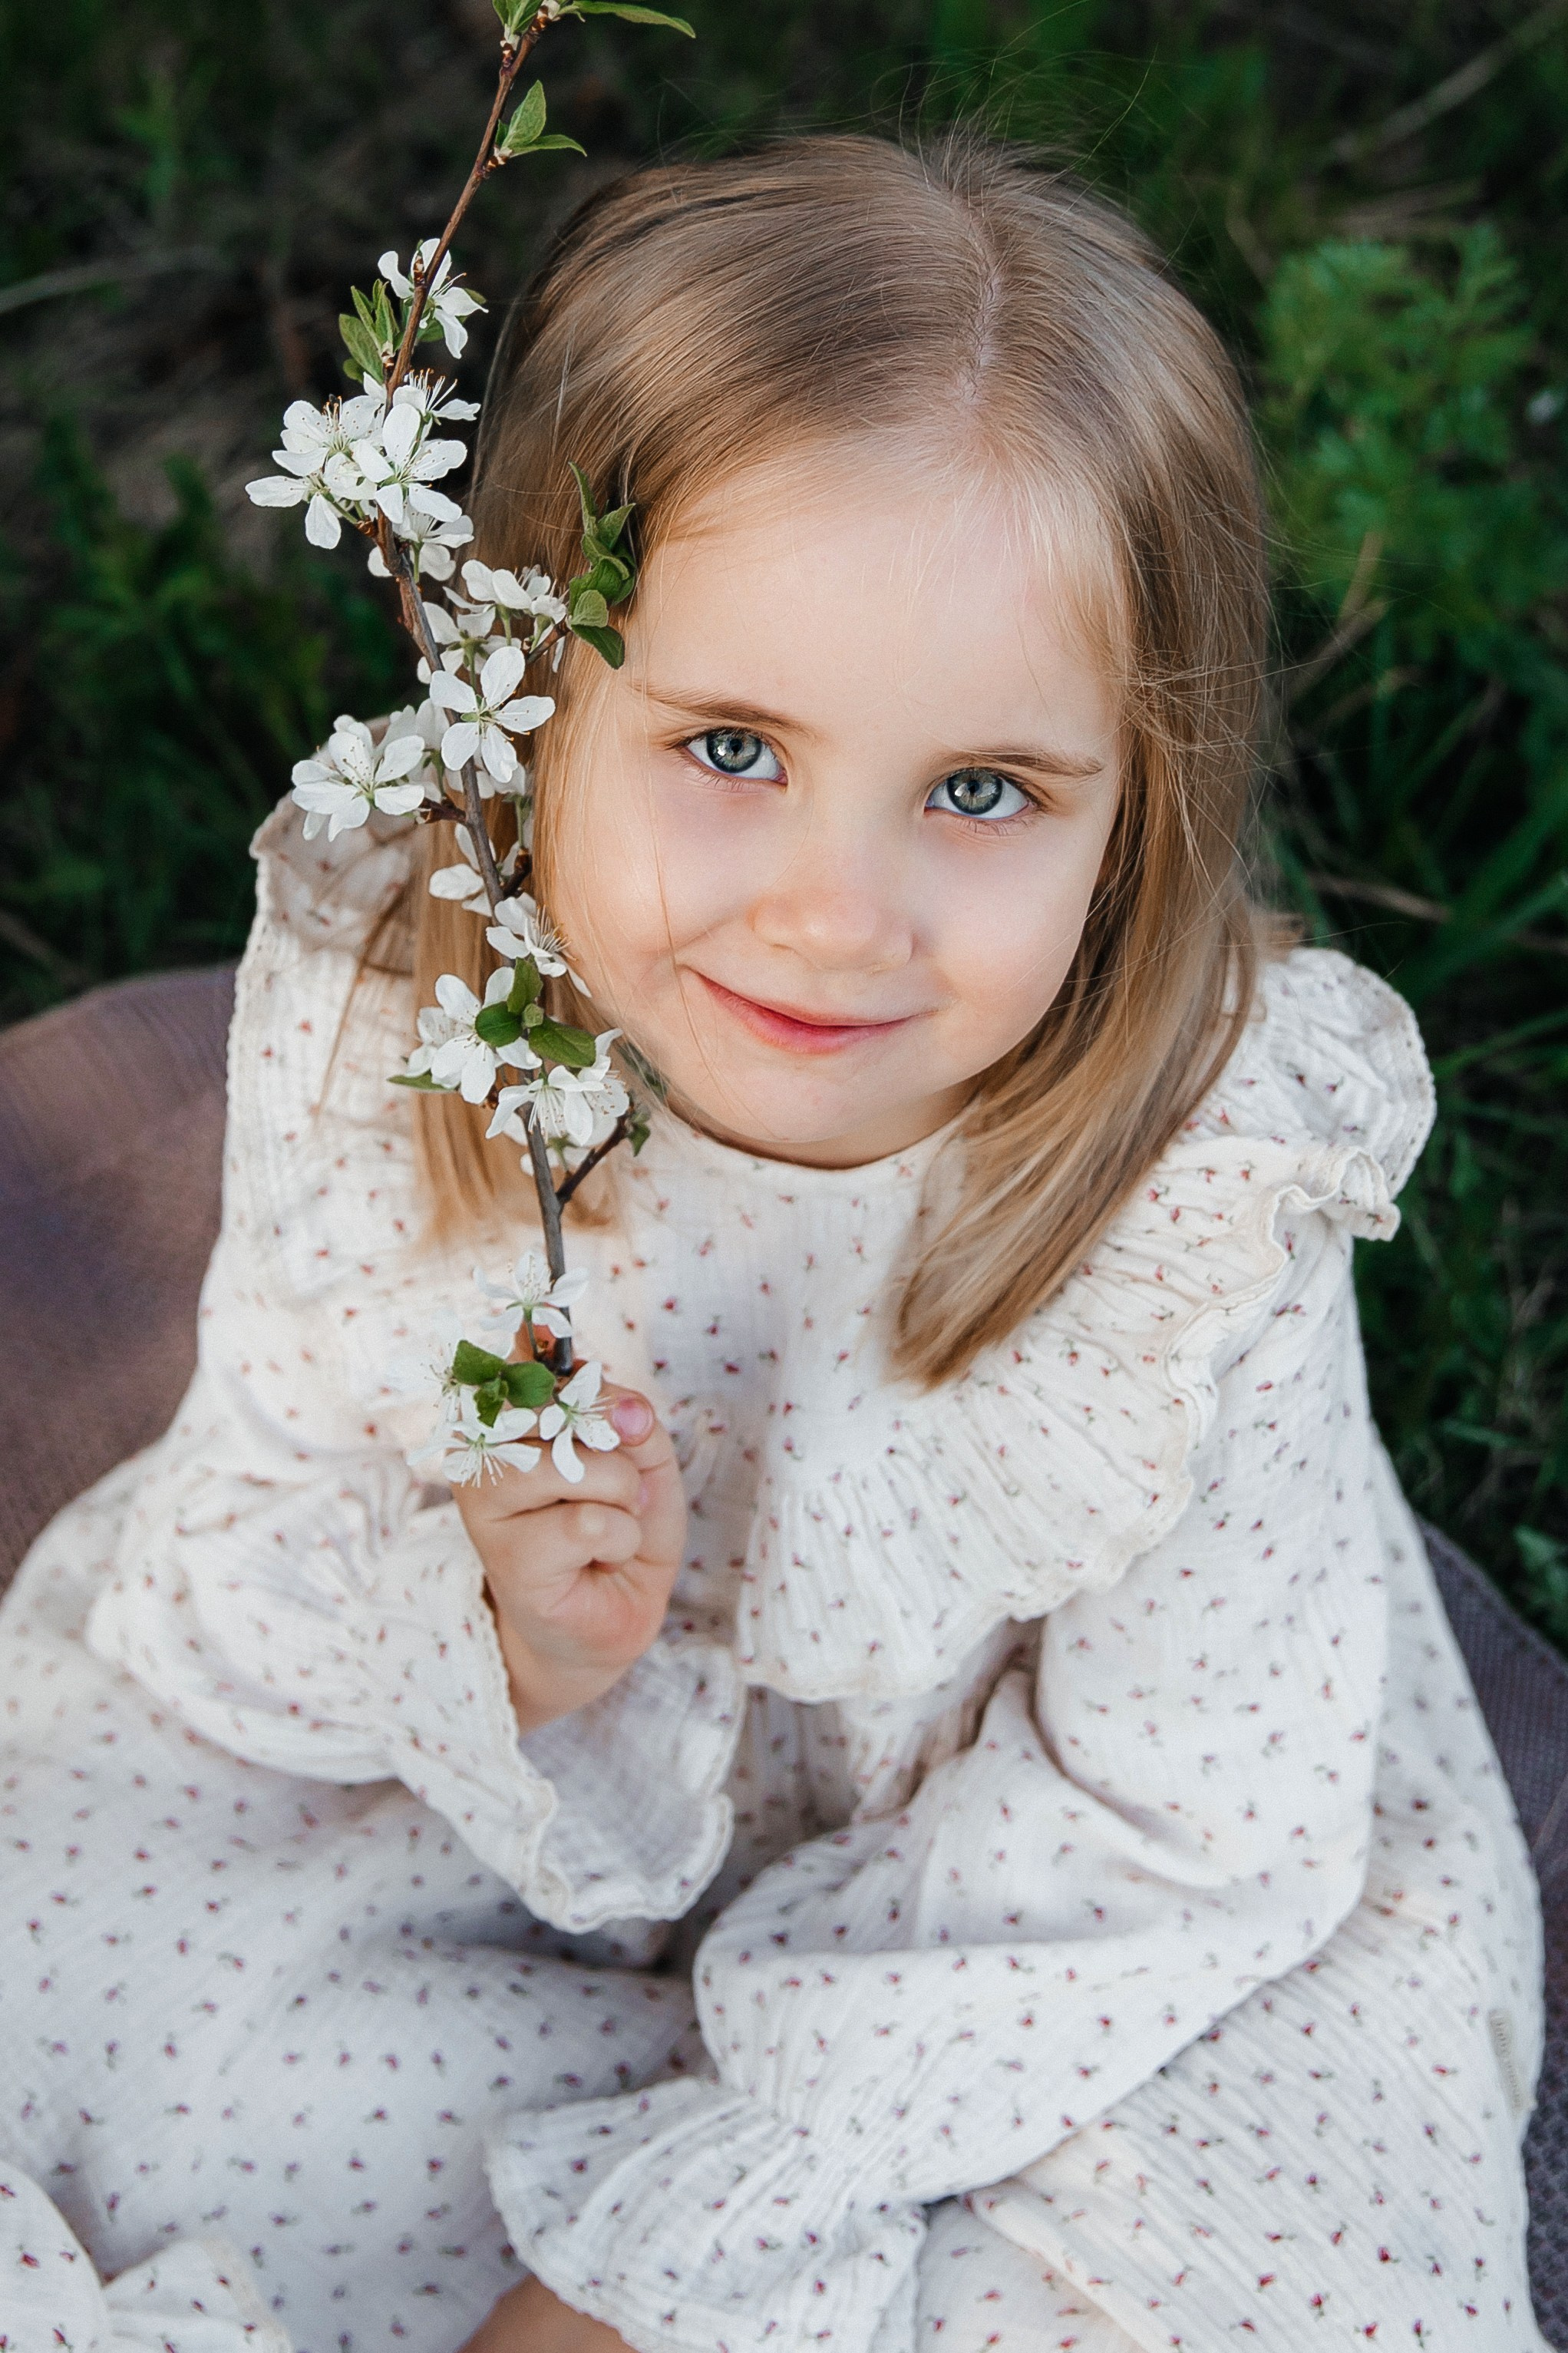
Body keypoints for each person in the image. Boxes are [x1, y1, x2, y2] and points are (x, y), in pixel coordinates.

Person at [0, 134, 1546, 2353]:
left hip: (1043, 1908)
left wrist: (684, 2232)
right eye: (730, 744)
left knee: (1230, 2247)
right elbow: (234, 1581)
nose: (837, 912)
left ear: (1139, 812)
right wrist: (492, 1639)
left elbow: (1189, 1817)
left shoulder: (1179, 1201)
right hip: (471, 1826)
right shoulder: (421, 1025)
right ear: (532, 699)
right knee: (99, 1999)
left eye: (983, 790)